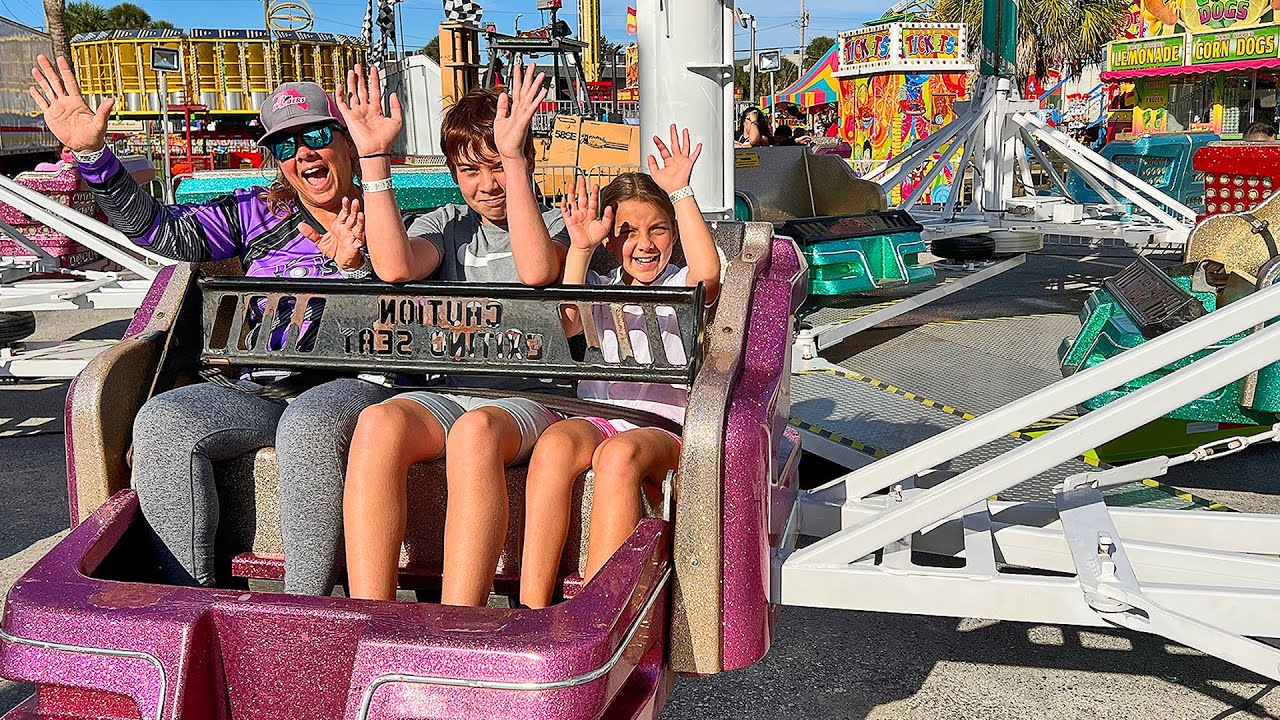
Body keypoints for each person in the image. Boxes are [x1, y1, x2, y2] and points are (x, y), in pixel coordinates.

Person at [28, 54, 434, 594]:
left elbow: (407, 308)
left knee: (309, 423)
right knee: (164, 421)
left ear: (346, 140)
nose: (303, 152)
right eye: (284, 145)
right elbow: (162, 234)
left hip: (357, 389)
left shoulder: (392, 216)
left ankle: (304, 613)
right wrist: (93, 156)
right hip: (263, 388)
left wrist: (351, 271)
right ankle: (191, 606)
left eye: (315, 135)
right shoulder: (257, 213)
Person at [343, 63, 571, 606]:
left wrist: (513, 159)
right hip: (452, 391)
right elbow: (395, 266)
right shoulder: (445, 224)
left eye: (497, 167)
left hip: (533, 397)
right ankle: (370, 616)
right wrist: (373, 158)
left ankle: (457, 619)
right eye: (471, 171)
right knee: (378, 422)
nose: (487, 185)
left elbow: (538, 271)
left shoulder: (558, 223)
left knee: (476, 431)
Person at [518, 126, 721, 609]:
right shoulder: (600, 284)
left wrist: (680, 192)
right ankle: (530, 607)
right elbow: (568, 318)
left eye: (657, 229)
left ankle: (595, 611)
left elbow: (708, 275)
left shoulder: (681, 282)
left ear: (674, 234)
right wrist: (580, 247)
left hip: (662, 427)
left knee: (619, 456)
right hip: (601, 417)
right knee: (554, 444)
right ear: (611, 241)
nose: (643, 244)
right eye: (628, 232)